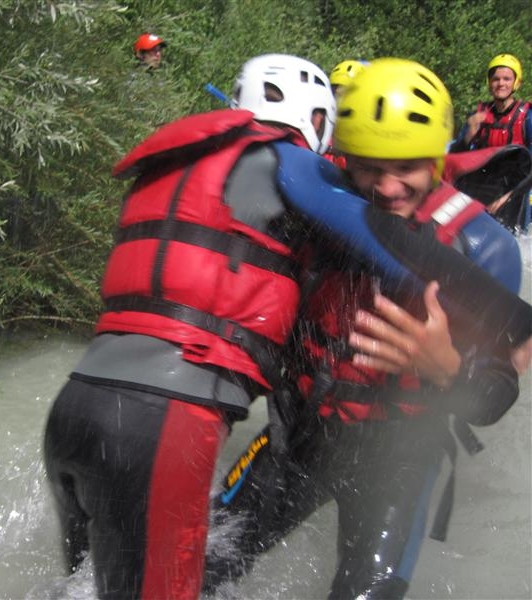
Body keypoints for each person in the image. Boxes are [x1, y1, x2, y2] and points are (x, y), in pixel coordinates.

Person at [203, 58, 525, 599]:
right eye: (370, 167)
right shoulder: (323, 208)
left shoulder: (483, 246)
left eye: (407, 166)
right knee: (197, 567)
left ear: (438, 155)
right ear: (345, 158)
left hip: (397, 458)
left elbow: (496, 395)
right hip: (297, 434)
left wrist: (446, 367)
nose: (388, 186)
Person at [42, 53, 336, 600]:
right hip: (154, 427)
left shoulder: (178, 163)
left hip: (73, 414)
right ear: (315, 118)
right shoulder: (291, 169)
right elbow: (379, 244)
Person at [450, 53, 531, 153]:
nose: (501, 84)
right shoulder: (477, 116)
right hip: (486, 168)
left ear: (516, 83)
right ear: (489, 82)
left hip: (518, 168)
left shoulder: (528, 117)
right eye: (496, 79)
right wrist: (468, 137)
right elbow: (455, 156)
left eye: (507, 79)